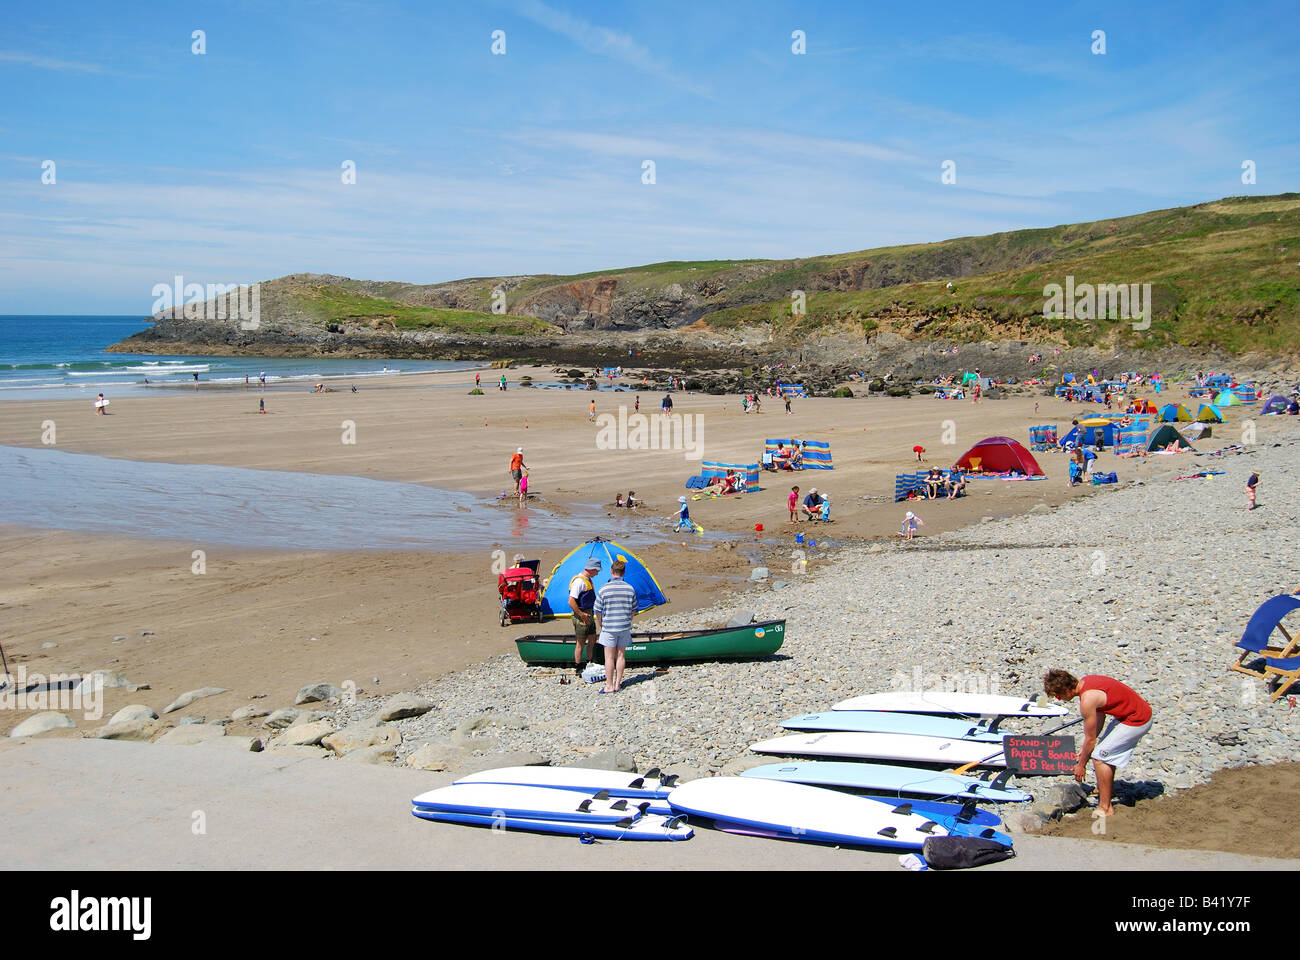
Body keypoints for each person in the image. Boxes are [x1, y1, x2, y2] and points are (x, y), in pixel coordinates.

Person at [1043, 669, 1152, 818]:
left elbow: (1091, 740)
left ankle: (1105, 807)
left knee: (1099, 757)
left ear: (1067, 690)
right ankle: (1107, 791)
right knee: (1103, 751)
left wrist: (1081, 765)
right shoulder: (1087, 681)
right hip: (1129, 715)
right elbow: (1099, 717)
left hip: (1138, 719)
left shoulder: (1087, 700)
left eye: (1058, 695)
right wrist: (1085, 748)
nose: (1059, 699)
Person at [594, 557, 639, 694]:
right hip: (624, 626)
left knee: (609, 657)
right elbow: (633, 610)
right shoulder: (630, 589)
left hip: (609, 627)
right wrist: (628, 621)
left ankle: (609, 685)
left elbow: (598, 610)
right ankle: (618, 684)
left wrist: (601, 624)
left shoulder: (604, 589)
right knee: (621, 656)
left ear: (611, 571)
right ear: (623, 572)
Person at [568, 558, 602, 676]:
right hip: (581, 615)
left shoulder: (588, 580)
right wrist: (581, 614)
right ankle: (578, 666)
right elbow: (571, 601)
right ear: (592, 569)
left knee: (592, 639)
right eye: (597, 571)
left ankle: (589, 662)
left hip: (589, 613)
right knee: (580, 642)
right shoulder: (579, 582)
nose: (597, 573)